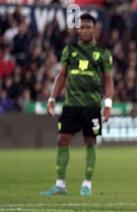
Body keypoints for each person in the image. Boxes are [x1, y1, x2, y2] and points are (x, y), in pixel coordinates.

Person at [41, 13, 113, 196]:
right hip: (71, 104)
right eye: (82, 27)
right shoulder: (70, 50)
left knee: (90, 142)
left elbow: (108, 80)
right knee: (62, 139)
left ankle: (87, 184)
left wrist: (108, 103)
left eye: (88, 27)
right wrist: (51, 98)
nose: (85, 30)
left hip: (92, 104)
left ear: (94, 29)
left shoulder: (102, 53)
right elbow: (61, 76)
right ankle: (60, 184)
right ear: (78, 30)